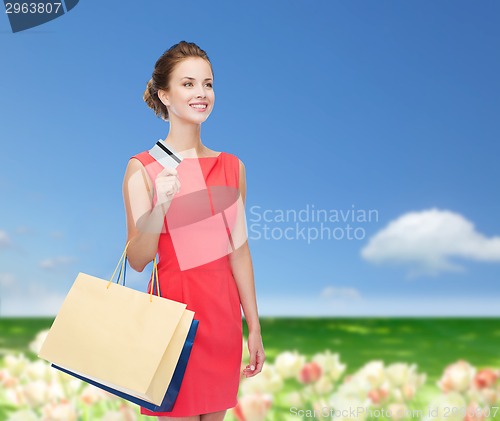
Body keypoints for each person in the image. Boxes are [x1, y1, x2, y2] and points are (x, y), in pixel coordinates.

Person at [122, 41, 265, 421]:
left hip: (222, 321)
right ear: (164, 94)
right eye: (188, 84)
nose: (201, 93)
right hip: (172, 320)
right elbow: (138, 260)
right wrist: (161, 207)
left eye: (208, 84)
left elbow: (238, 251)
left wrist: (254, 326)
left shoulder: (233, 167)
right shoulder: (143, 168)